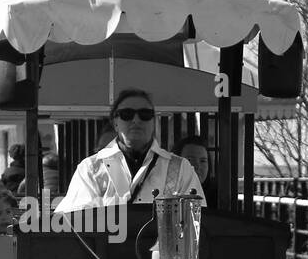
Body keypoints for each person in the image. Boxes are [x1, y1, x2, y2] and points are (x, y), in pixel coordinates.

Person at [57, 89, 205, 211]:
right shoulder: (91, 168)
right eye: (126, 114)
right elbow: (74, 222)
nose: (136, 120)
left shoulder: (180, 168)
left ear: (154, 122)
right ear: (115, 122)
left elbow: (197, 222)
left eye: (145, 114)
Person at [174, 135, 218, 205]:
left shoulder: (218, 196)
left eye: (203, 161)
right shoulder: (168, 194)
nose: (197, 166)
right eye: (190, 160)